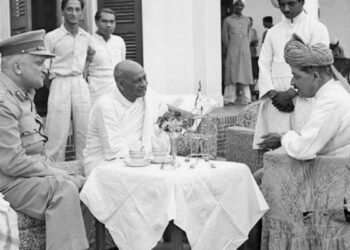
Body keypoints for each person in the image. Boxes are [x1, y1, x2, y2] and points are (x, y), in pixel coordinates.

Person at [0, 30, 88, 250]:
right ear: (18, 67)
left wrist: (63, 172)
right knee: (63, 188)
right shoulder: (4, 103)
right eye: (39, 62)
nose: (45, 69)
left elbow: (36, 149)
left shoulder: (23, 93)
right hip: (9, 181)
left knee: (87, 182)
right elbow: (11, 163)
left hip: (28, 175)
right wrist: (57, 173)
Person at [258, 34, 350, 159]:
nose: (292, 83)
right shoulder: (332, 93)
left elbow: (302, 150)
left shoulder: (330, 101)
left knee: (261, 175)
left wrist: (283, 138)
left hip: (335, 172)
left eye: (296, 76)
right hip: (332, 167)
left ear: (315, 76)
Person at [253, 0, 329, 149]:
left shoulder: (317, 28)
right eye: (282, 4)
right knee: (272, 148)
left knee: (301, 146)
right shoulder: (272, 32)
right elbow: (264, 63)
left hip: (304, 100)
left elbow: (317, 64)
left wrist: (291, 92)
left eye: (291, 3)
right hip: (276, 102)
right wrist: (273, 94)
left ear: (302, 2)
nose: (286, 9)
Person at [83, 60, 167, 176]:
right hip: (104, 164)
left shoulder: (149, 97)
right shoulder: (105, 105)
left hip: (142, 160)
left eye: (144, 78)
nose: (144, 84)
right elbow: (113, 151)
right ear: (121, 84)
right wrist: (143, 157)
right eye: (137, 81)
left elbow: (163, 120)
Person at [44, 0, 93, 161]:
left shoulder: (86, 37)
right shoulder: (52, 37)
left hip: (79, 82)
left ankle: (84, 173)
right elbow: (44, 68)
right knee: (56, 132)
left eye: (77, 9)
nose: (73, 13)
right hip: (59, 82)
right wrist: (54, 87)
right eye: (69, 9)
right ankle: (55, 175)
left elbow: (88, 61)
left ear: (81, 12)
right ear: (62, 11)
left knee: (84, 131)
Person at [88, 8, 126, 105]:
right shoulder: (89, 41)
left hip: (117, 91)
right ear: (96, 22)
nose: (108, 25)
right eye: (104, 21)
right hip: (96, 92)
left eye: (112, 22)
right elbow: (84, 71)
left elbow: (122, 66)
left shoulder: (119, 41)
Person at [222, 0, 253, 105]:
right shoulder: (227, 20)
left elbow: (249, 35)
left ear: (244, 6)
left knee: (245, 74)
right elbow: (225, 37)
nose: (239, 7)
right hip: (232, 51)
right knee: (231, 74)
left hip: (245, 51)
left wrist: (245, 47)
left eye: (241, 5)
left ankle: (247, 99)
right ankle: (229, 99)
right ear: (233, 6)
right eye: (237, 5)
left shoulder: (247, 20)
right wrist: (231, 48)